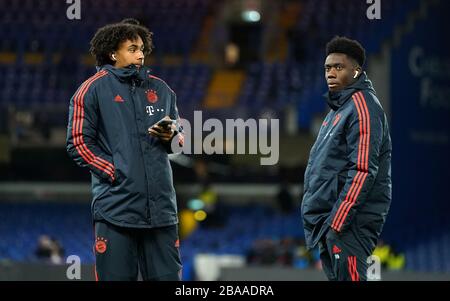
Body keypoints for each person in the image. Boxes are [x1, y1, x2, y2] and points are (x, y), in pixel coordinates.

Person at [66, 18, 184, 281]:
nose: (140, 54)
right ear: (112, 53)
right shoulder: (91, 90)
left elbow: (176, 144)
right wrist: (114, 171)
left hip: (162, 210)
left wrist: (173, 136)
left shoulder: (162, 89)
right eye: (132, 48)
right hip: (116, 209)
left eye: (142, 48)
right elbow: (78, 142)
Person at [301, 36, 392, 281]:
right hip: (332, 222)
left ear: (356, 71)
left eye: (338, 67)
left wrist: (337, 222)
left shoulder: (363, 106)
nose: (330, 73)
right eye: (327, 68)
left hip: (349, 221)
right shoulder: (338, 110)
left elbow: (363, 169)